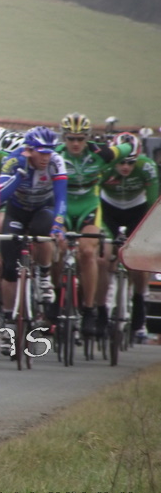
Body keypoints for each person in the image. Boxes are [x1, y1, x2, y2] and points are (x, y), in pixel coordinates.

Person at [56, 112, 133, 337]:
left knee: (88, 253)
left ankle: (89, 310)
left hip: (89, 207)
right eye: (71, 138)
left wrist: (107, 150)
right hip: (64, 207)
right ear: (64, 139)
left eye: (81, 138)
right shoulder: (56, 155)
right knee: (57, 248)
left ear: (87, 138)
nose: (76, 143)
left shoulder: (97, 154)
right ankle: (54, 295)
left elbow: (128, 147)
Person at [0, 126, 67, 351]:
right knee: (9, 268)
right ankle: (9, 322)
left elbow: (61, 197)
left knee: (43, 232)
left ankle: (45, 275)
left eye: (49, 152)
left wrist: (58, 222)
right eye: (41, 152)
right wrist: (20, 175)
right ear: (29, 150)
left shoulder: (57, 162)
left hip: (43, 209)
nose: (46, 157)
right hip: (16, 212)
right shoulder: (13, 161)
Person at [98, 132, 158, 339]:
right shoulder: (104, 167)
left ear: (138, 159)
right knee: (104, 258)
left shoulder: (146, 167)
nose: (125, 167)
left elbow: (153, 204)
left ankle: (139, 307)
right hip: (108, 211)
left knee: (139, 263)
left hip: (137, 212)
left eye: (131, 163)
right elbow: (92, 195)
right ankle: (102, 311)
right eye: (121, 162)